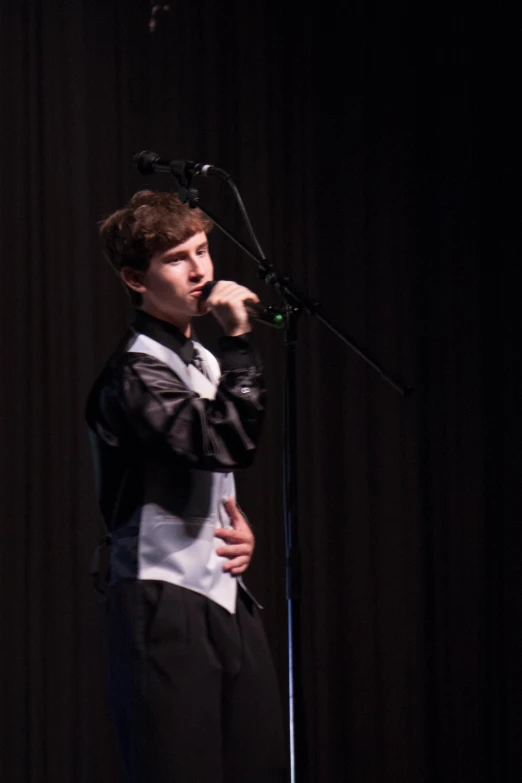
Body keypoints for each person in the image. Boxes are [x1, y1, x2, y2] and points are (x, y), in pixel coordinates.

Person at [85, 190, 287, 783]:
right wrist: (241, 340)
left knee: (262, 762)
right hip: (163, 598)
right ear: (135, 278)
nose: (200, 270)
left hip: (225, 593)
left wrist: (233, 522)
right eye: (176, 258)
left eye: (202, 250)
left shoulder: (202, 361)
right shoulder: (134, 372)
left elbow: (206, 465)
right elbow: (224, 442)